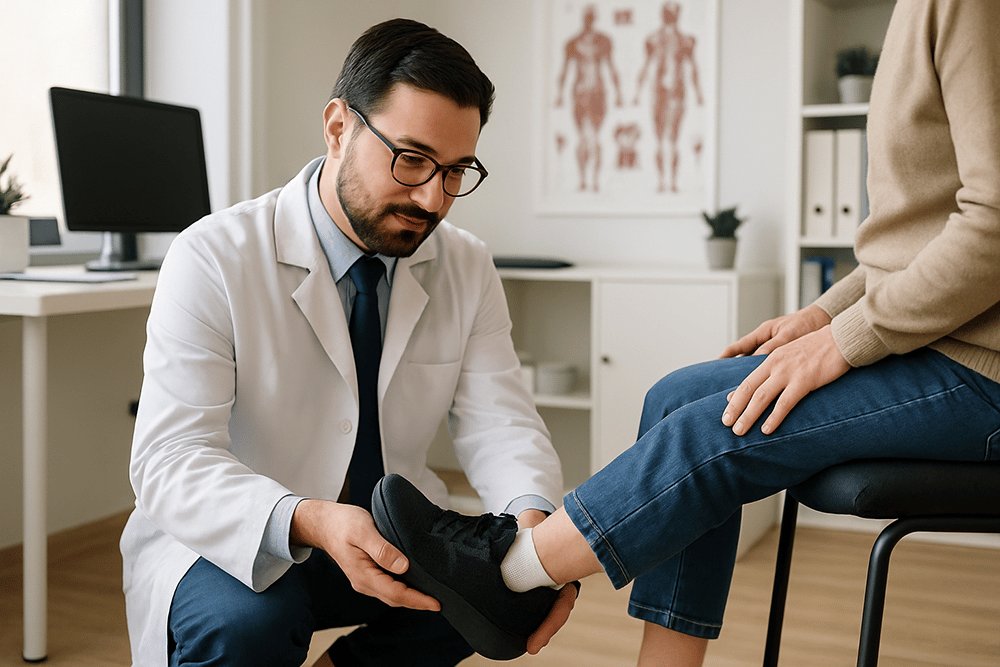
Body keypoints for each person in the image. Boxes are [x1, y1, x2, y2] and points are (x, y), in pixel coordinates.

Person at [375, 1, 1000, 665]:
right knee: (676, 395)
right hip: (932, 338)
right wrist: (825, 314)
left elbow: (991, 225)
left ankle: (508, 574)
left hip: (981, 366)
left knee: (710, 433)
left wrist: (848, 339)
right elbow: (921, 238)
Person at [120, 18, 567, 667]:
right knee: (246, 627)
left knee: (503, 593)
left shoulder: (465, 264)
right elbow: (168, 459)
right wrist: (310, 517)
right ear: (338, 127)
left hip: (389, 530)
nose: (431, 197)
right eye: (411, 159)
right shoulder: (214, 255)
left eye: (455, 171)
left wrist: (532, 539)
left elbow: (502, 424)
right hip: (238, 532)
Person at [554, 3, 624, 192]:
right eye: (587, 15)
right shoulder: (573, 43)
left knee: (593, 137)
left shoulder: (603, 42)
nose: (589, 18)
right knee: (586, 137)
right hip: (580, 94)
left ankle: (592, 180)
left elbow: (611, 67)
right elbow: (564, 71)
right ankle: (586, 179)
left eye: (591, 15)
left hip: (598, 94)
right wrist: (559, 95)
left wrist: (618, 93)